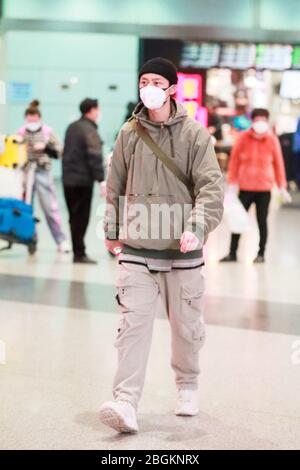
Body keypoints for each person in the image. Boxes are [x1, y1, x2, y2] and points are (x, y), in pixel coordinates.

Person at [99, 57, 224, 433]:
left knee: (185, 328)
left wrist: (197, 228)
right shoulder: (129, 133)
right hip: (136, 248)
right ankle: (125, 402)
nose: (148, 87)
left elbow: (211, 188)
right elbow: (115, 183)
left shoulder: (194, 135)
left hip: (181, 250)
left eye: (156, 81)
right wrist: (111, 228)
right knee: (132, 327)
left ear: (172, 88)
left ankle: (187, 385)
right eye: (143, 81)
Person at [221, 108, 290, 264]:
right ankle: (232, 253)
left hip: (264, 188)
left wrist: (282, 186)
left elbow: (279, 164)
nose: (260, 123)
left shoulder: (272, 140)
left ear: (267, 121)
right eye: (257, 120)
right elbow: (234, 161)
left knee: (262, 221)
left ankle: (261, 253)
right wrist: (231, 182)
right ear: (252, 121)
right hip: (245, 187)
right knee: (237, 220)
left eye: (263, 120)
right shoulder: (243, 137)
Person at [17, 100, 70, 253]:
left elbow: (60, 151)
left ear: (39, 118)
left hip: (43, 172)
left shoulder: (47, 132)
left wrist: (45, 147)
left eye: (34, 119)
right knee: (26, 208)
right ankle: (30, 239)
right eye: (29, 119)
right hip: (25, 174)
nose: (31, 122)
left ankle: (61, 240)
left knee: (50, 208)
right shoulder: (20, 132)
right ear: (26, 118)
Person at [63, 98, 105, 264]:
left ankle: (77, 251)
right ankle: (79, 253)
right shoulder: (89, 130)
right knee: (82, 218)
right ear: (92, 110)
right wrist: (101, 180)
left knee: (73, 217)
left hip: (68, 180)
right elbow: (94, 156)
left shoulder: (72, 127)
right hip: (82, 182)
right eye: (97, 109)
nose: (98, 113)